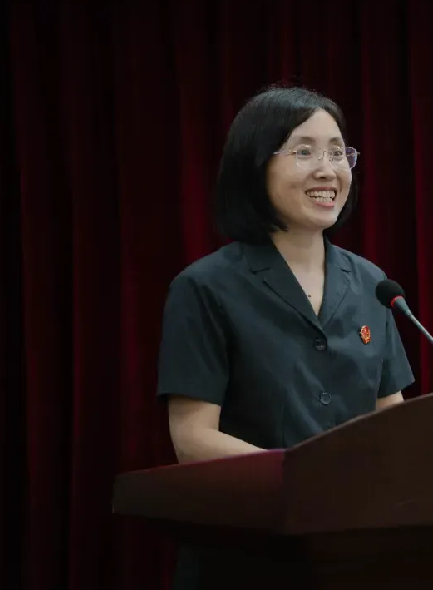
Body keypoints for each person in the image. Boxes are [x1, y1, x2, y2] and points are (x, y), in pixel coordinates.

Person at [155, 85, 415, 589]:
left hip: (354, 552)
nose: (327, 170)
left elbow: (393, 422)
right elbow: (192, 439)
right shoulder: (205, 287)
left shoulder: (372, 284)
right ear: (256, 166)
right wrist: (308, 476)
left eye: (338, 153)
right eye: (304, 151)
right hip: (245, 553)